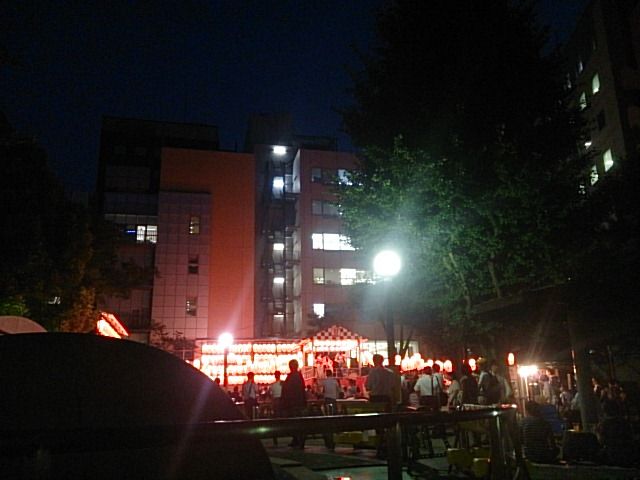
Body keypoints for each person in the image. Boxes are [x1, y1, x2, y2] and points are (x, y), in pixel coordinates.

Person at [281, 359, 307, 448]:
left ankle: (298, 440)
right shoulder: (298, 376)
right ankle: (297, 440)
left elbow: (288, 389)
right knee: (297, 422)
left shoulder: (292, 376)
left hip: (293, 403)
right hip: (298, 402)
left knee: (295, 422)